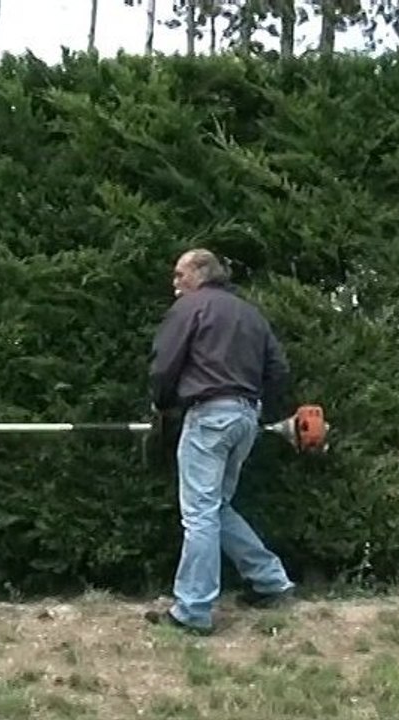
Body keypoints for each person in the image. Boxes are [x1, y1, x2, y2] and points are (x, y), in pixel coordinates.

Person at [143, 248, 296, 634]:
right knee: (217, 506)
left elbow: (164, 363)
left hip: (208, 416)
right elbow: (279, 370)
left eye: (180, 274)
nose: (174, 283)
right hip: (246, 416)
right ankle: (271, 581)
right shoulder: (250, 313)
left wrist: (162, 405)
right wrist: (257, 404)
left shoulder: (191, 308)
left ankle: (193, 609)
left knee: (198, 513)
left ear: (200, 274)